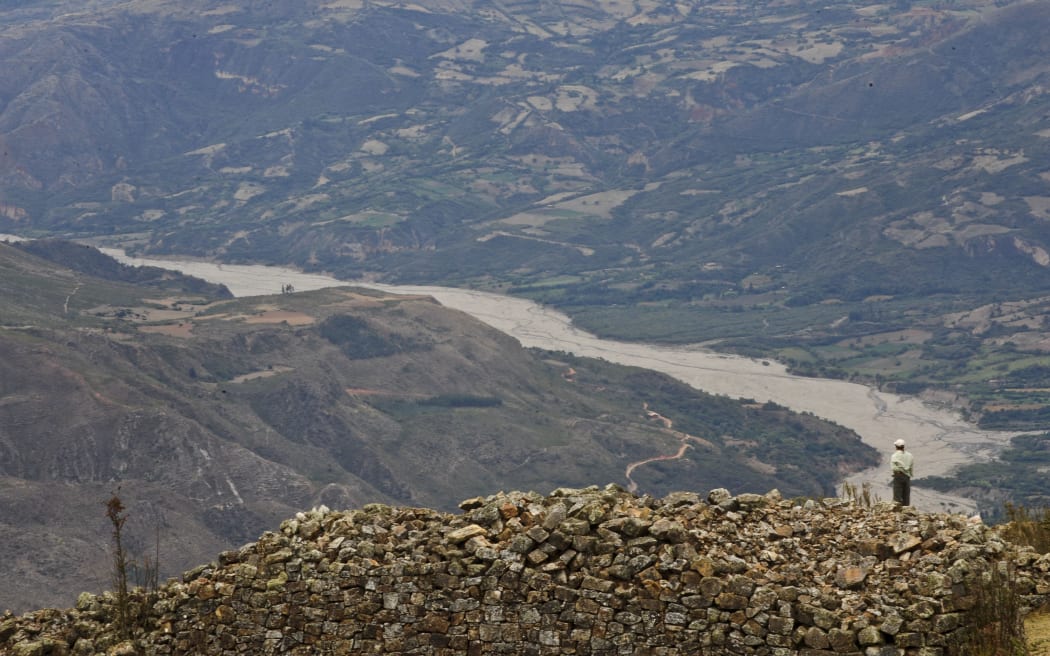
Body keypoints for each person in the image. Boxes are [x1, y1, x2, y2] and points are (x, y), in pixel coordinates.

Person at [891, 439, 914, 506]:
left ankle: (897, 511)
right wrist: (909, 474)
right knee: (906, 494)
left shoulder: (894, 456)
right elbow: (911, 467)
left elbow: (893, 468)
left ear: (896, 446)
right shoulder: (910, 455)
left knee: (897, 495)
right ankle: (906, 510)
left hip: (898, 475)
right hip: (907, 476)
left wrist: (900, 469)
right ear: (903, 446)